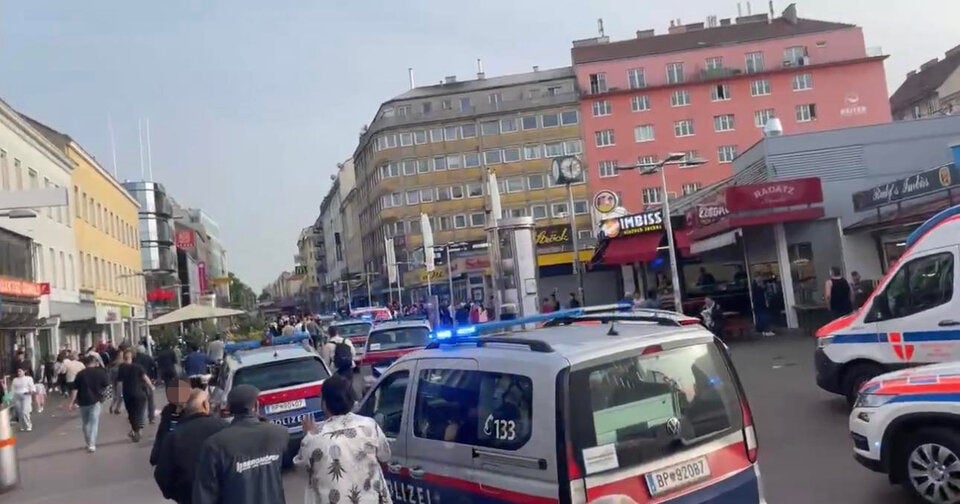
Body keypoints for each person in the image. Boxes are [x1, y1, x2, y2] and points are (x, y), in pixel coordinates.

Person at [294, 374, 392, 504]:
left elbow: (301, 470)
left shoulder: (315, 438)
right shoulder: (369, 426)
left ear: (324, 403)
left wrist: (308, 435)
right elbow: (385, 456)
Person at [192, 385, 289, 504]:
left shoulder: (215, 445)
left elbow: (204, 495)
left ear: (229, 408)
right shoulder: (278, 434)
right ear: (256, 406)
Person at [154, 389, 226, 504]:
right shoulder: (224, 428)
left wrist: (179, 496)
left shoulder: (173, 437)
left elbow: (162, 475)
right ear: (205, 405)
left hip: (189, 498)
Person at [70, 355, 110, 452]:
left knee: (86, 423)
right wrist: (104, 396)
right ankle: (92, 444)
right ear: (95, 362)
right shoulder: (100, 373)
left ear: (85, 363)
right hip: (96, 400)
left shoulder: (80, 374)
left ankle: (89, 442)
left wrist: (71, 402)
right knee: (94, 422)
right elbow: (107, 385)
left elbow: (75, 389)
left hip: (83, 401)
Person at [150, 379, 192, 466]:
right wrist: (155, 454)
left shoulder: (192, 410)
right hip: (170, 453)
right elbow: (161, 433)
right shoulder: (168, 410)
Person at [117, 349, 154, 442]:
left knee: (131, 413)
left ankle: (136, 430)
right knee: (140, 411)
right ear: (132, 357)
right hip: (139, 392)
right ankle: (138, 429)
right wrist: (151, 386)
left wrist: (119, 395)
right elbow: (145, 378)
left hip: (128, 393)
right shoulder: (138, 367)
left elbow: (119, 382)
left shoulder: (121, 368)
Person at [134, 347, 158, 424]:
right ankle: (151, 417)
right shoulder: (148, 358)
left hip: (137, 381)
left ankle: (140, 418)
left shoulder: (134, 359)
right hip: (148, 380)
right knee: (150, 399)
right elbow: (155, 366)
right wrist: (155, 377)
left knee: (140, 401)